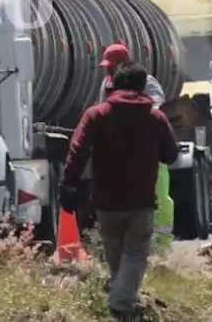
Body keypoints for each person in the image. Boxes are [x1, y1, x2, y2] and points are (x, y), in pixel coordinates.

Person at [59, 61, 178, 321]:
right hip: (141, 201)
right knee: (135, 254)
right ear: (141, 86)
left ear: (113, 85)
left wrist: (68, 183)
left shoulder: (96, 114)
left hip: (106, 202)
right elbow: (171, 155)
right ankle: (121, 303)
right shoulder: (155, 117)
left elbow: (77, 150)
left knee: (114, 256)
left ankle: (121, 308)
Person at [99, 43, 165, 103]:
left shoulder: (145, 80)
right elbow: (103, 103)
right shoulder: (106, 82)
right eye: (107, 66)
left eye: (112, 66)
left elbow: (157, 102)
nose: (109, 70)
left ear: (124, 64)